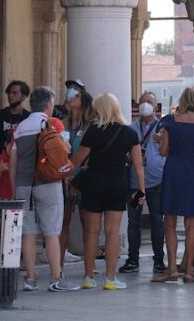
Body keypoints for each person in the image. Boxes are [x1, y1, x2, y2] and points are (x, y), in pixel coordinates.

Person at [69, 93, 146, 290]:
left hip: (94, 182)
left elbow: (78, 160)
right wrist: (141, 191)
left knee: (91, 232)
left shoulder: (93, 130)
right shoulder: (129, 133)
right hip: (117, 184)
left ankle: (88, 277)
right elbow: (138, 166)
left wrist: (63, 175)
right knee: (112, 232)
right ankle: (110, 279)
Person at [10, 86, 80, 292]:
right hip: (48, 184)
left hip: (24, 186)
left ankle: (30, 279)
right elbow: (65, 151)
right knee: (51, 233)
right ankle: (56, 279)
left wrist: (14, 188)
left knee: (28, 233)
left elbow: (13, 161)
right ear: (48, 105)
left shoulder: (20, 127)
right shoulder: (52, 124)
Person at [153, 87, 194, 284]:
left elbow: (163, 151)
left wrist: (161, 141)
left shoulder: (170, 121)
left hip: (174, 171)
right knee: (191, 224)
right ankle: (188, 271)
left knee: (169, 222)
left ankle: (171, 269)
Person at [119, 91, 166, 274]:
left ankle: (159, 260)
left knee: (157, 221)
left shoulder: (163, 127)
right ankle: (132, 260)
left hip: (157, 183)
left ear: (156, 106)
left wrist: (163, 141)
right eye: (142, 102)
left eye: (149, 102)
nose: (145, 104)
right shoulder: (131, 128)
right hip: (134, 184)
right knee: (133, 222)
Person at [59, 85, 93, 267]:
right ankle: (59, 264)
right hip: (62, 178)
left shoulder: (89, 126)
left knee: (88, 223)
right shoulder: (61, 123)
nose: (71, 97)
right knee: (63, 222)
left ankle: (90, 265)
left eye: (76, 95)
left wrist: (75, 178)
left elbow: (89, 154)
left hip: (83, 178)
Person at [0, 80, 31, 157]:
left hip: (21, 159)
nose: (10, 95)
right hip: (1, 159)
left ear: (23, 97)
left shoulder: (28, 117)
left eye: (15, 93)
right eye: (9, 93)